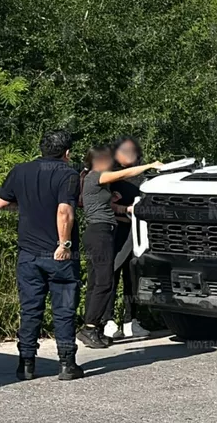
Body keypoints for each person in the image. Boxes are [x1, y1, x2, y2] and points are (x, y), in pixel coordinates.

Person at [0, 130, 84, 381]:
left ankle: (26, 364)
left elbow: (1, 203)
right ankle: (67, 364)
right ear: (66, 153)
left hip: (28, 253)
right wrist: (64, 244)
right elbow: (64, 212)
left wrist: (26, 207)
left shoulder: (20, 170)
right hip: (58, 254)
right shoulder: (67, 173)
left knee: (31, 308)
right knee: (64, 308)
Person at [76, 145, 161, 348]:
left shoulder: (98, 181)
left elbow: (109, 206)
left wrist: (127, 208)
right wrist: (150, 165)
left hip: (103, 232)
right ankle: (90, 328)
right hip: (99, 233)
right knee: (104, 283)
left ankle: (94, 328)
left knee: (100, 282)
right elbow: (126, 173)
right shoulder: (96, 176)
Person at [102, 136, 151, 340]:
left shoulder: (145, 178)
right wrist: (125, 210)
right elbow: (103, 204)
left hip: (138, 233)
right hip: (117, 231)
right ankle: (107, 320)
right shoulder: (110, 177)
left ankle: (131, 320)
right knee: (111, 274)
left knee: (133, 276)